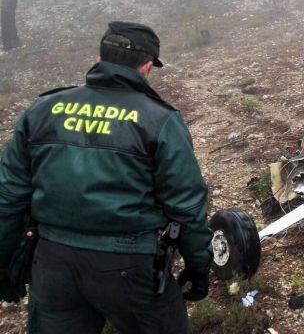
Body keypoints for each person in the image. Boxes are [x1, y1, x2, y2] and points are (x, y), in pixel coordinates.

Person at [0, 22, 213, 333]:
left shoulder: (43, 109)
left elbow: (9, 197)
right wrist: (199, 265)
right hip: (129, 266)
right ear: (147, 67)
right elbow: (187, 203)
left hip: (53, 263)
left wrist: (5, 263)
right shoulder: (160, 119)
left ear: (99, 60)